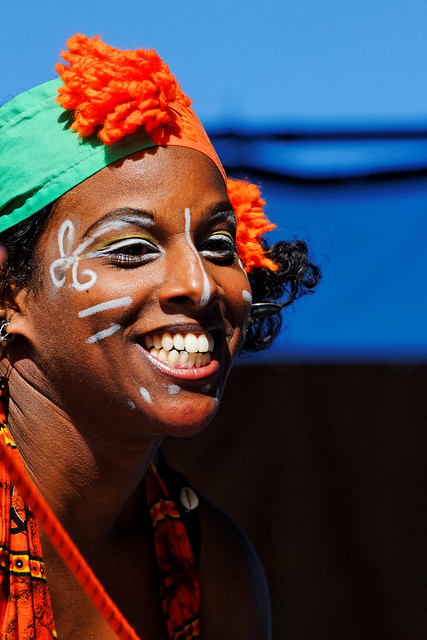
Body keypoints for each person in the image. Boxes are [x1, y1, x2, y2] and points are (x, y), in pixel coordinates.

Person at [0, 35, 320, 639]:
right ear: (9, 294)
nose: (199, 285)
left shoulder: (213, 570)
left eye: (219, 247)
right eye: (131, 250)